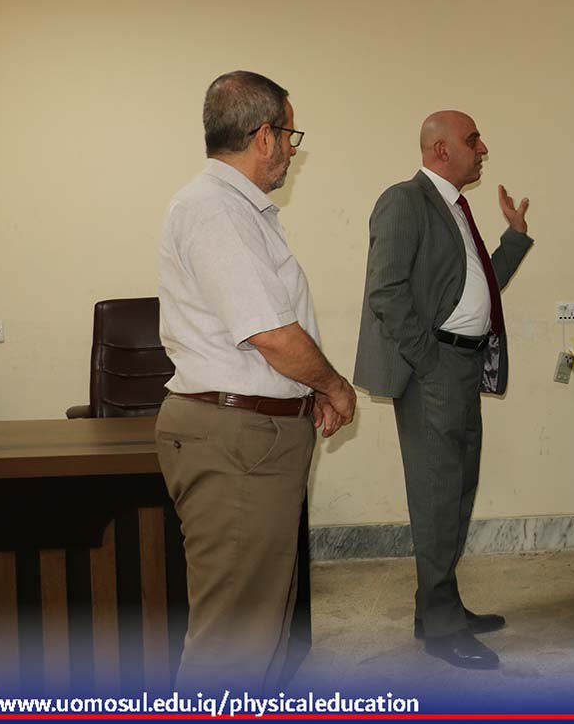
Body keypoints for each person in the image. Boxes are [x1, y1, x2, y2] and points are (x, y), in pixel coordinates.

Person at [156, 70, 357, 690]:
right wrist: (333, 386)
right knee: (233, 644)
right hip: (237, 440)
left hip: (251, 437)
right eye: (290, 136)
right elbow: (271, 333)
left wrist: (308, 391)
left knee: (260, 631)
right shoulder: (215, 210)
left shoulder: (236, 209)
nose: (293, 151)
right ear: (264, 136)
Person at [353, 110, 533, 670]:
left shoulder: (455, 207)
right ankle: (441, 629)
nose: (483, 148)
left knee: (454, 492)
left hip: (461, 366)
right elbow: (385, 290)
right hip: (435, 368)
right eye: (472, 139)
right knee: (437, 496)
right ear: (440, 150)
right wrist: (429, 360)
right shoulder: (405, 201)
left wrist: (514, 239)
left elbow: (480, 288)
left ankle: (437, 607)